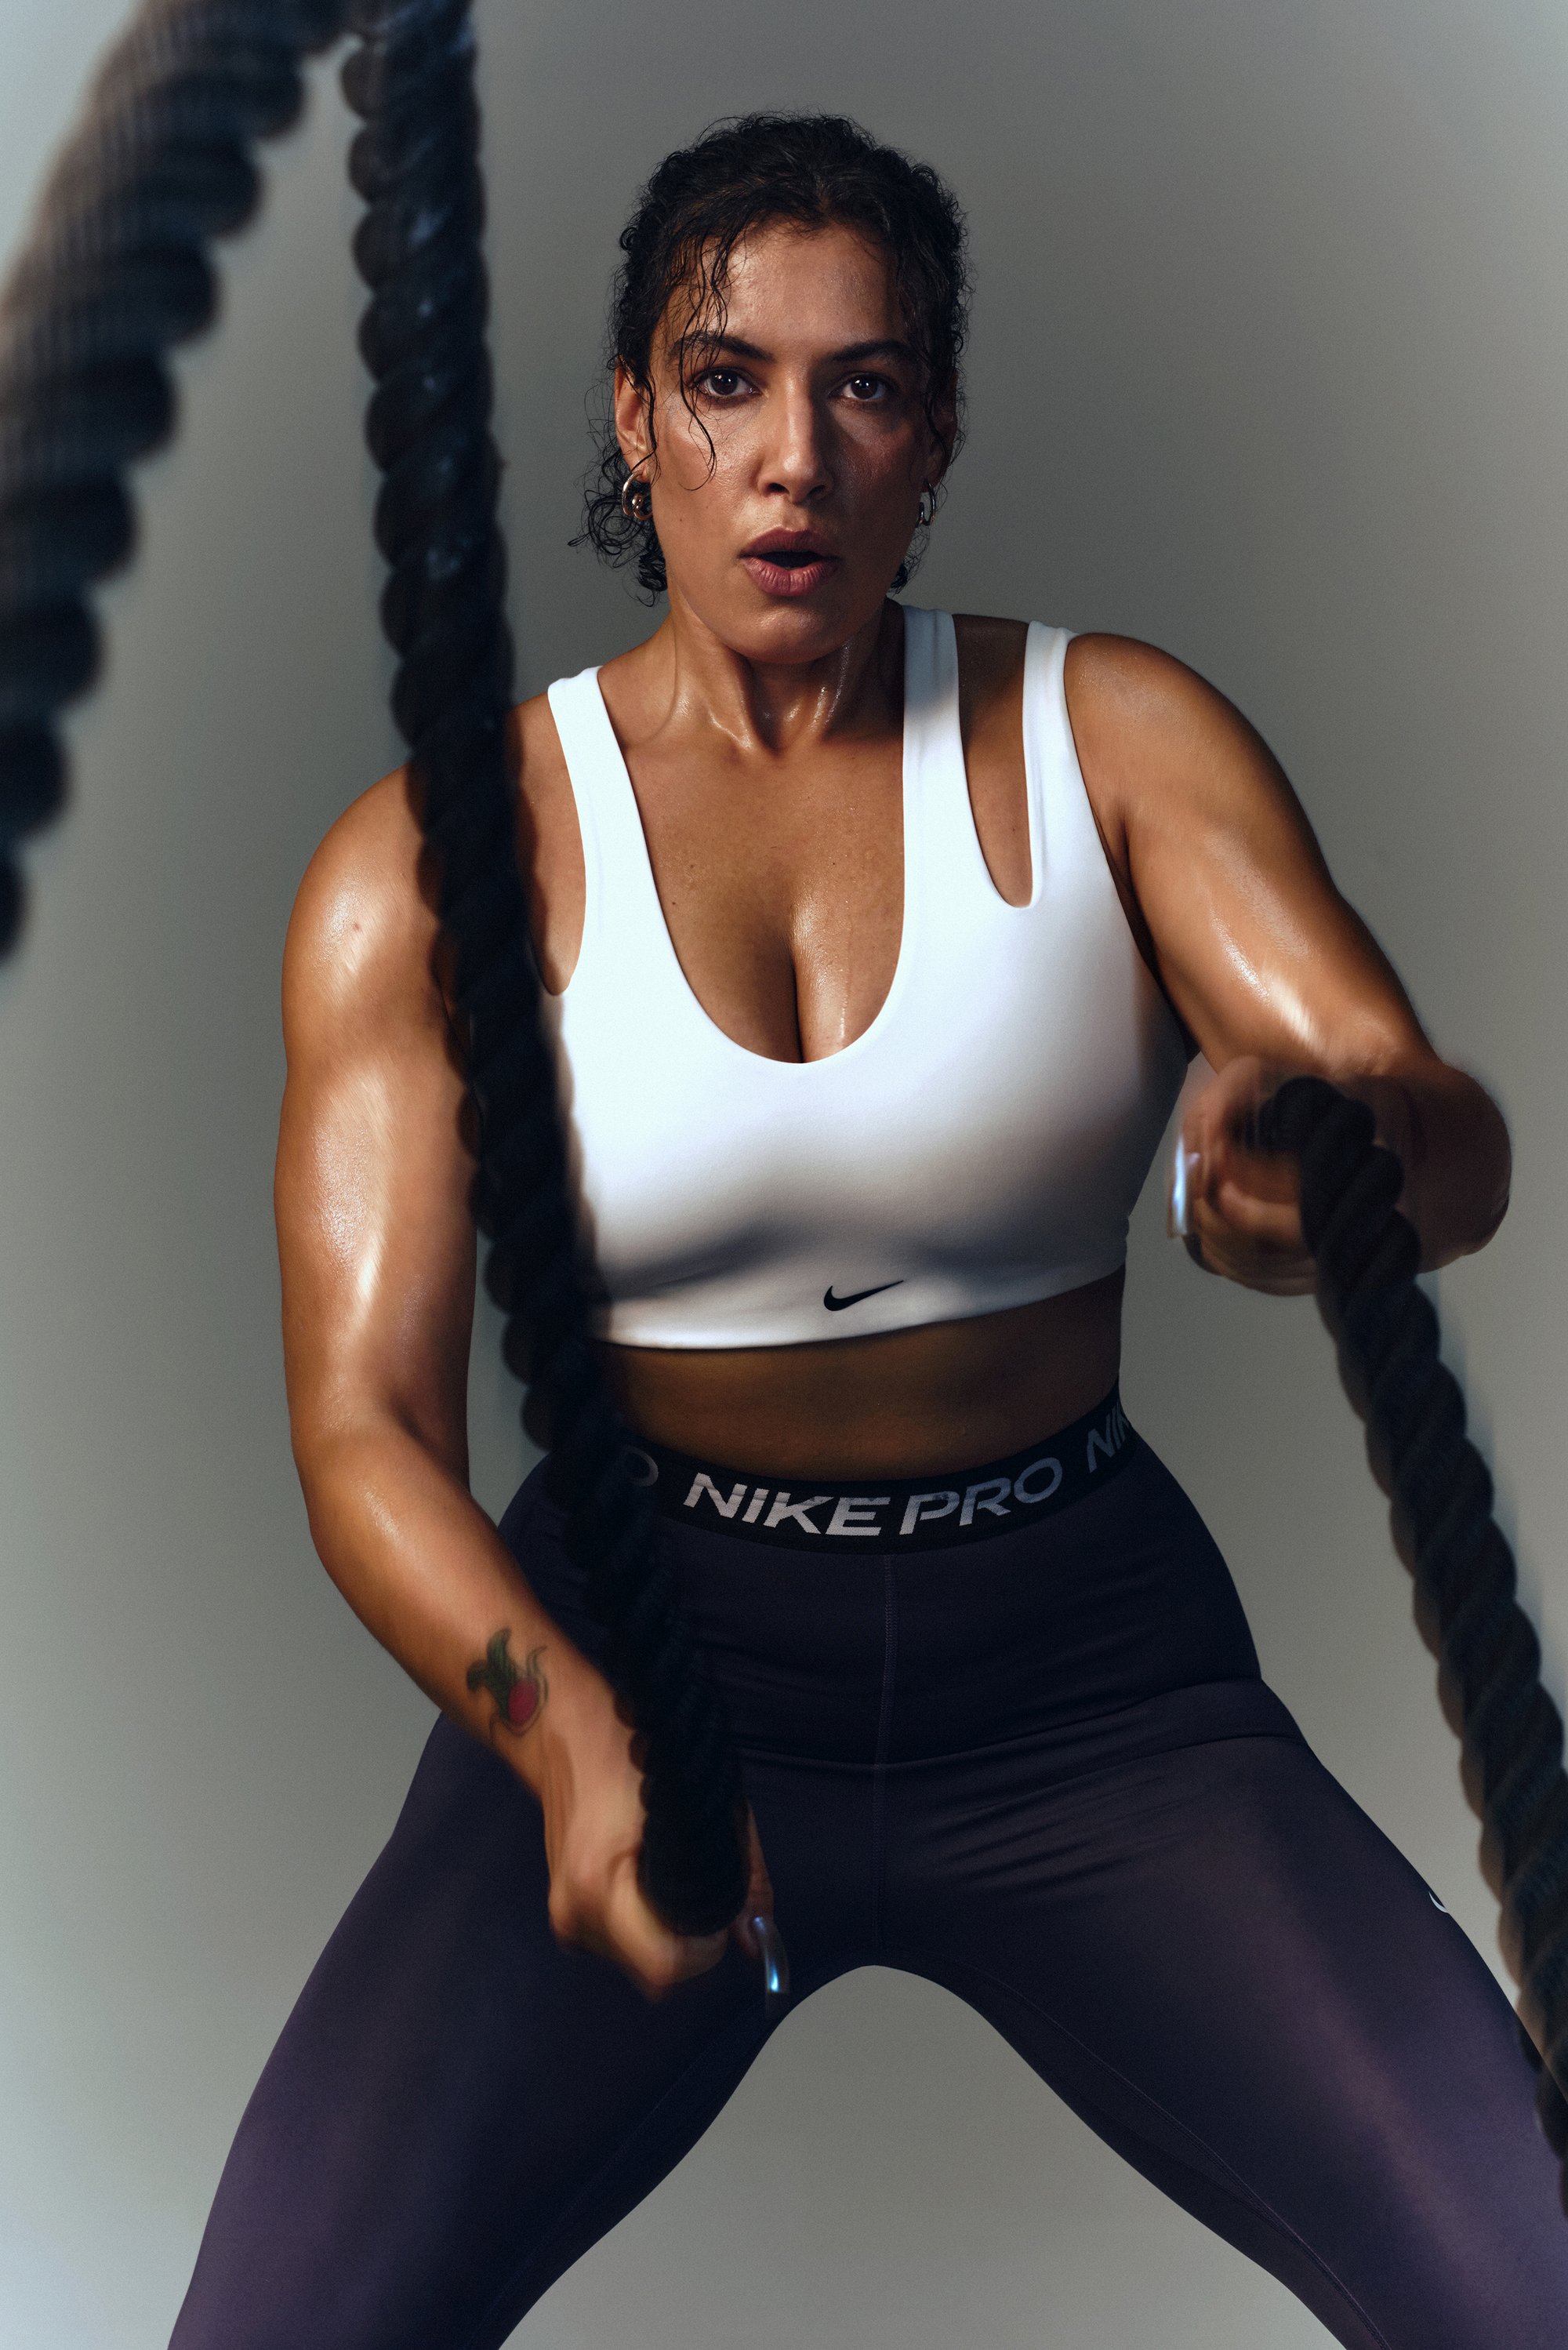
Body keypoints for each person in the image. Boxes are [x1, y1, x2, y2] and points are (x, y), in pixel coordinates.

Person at [169, 113, 1564, 2350]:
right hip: (654, 1642)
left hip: (1090, 1674)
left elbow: (1436, 1137)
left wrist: (1317, 1163)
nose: (791, 456)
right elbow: (362, 1432)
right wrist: (564, 1737)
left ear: (937, 433)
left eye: (866, 386)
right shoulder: (447, 857)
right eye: (726, 381)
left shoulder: (1112, 739)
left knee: (1531, 2276)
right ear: (637, 419)